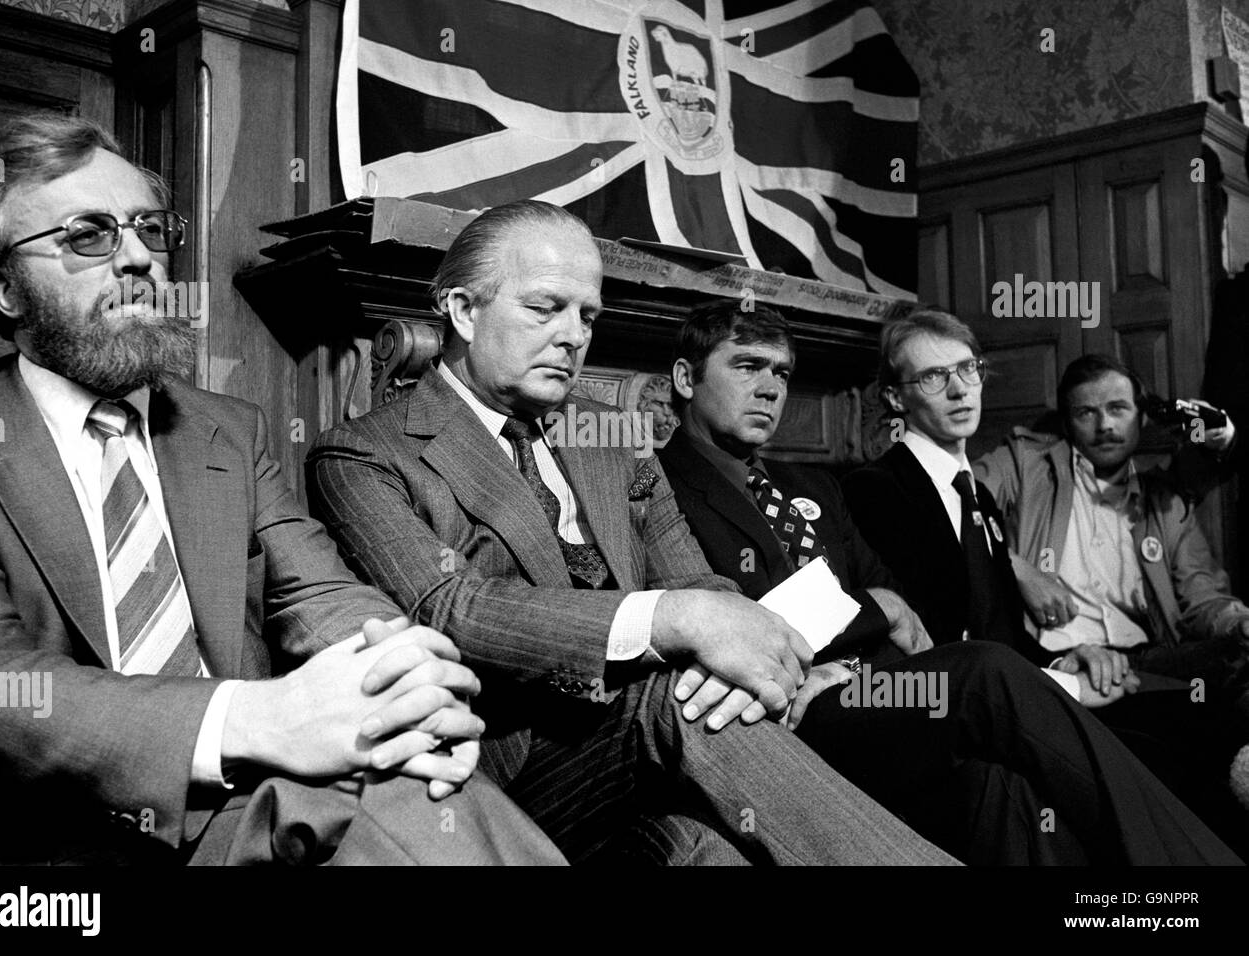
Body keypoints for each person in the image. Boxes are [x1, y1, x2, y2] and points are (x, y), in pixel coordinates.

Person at [0, 112, 564, 865]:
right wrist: (257, 718)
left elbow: (318, 594)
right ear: (4, 288)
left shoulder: (227, 430)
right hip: (53, 833)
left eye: (148, 228)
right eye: (89, 236)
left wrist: (403, 674)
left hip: (244, 805)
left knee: (421, 787)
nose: (139, 257)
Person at [306, 199, 959, 865]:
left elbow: (699, 582)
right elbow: (450, 611)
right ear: (465, 311)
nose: (573, 336)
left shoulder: (611, 437)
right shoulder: (362, 455)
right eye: (544, 307)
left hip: (642, 761)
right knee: (675, 700)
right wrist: (673, 620)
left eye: (586, 315)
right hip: (494, 778)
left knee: (702, 849)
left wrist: (720, 644)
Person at [657, 297, 1243, 864]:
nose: (770, 388)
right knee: (987, 672)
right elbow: (746, 619)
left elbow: (894, 603)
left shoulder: (811, 485)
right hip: (796, 713)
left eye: (782, 372)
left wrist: (871, 625)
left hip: (876, 685)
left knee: (1006, 785)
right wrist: (870, 615)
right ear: (686, 377)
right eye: (747, 367)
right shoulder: (659, 489)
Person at [842, 309, 1243, 861]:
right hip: (959, 709)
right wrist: (1061, 683)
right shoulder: (879, 489)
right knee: (1142, 761)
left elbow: (999, 631)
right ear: (893, 398)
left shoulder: (974, 497)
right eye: (934, 377)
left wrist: (1066, 661)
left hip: (1035, 680)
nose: (960, 390)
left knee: (1187, 735)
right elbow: (935, 648)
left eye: (968, 369)